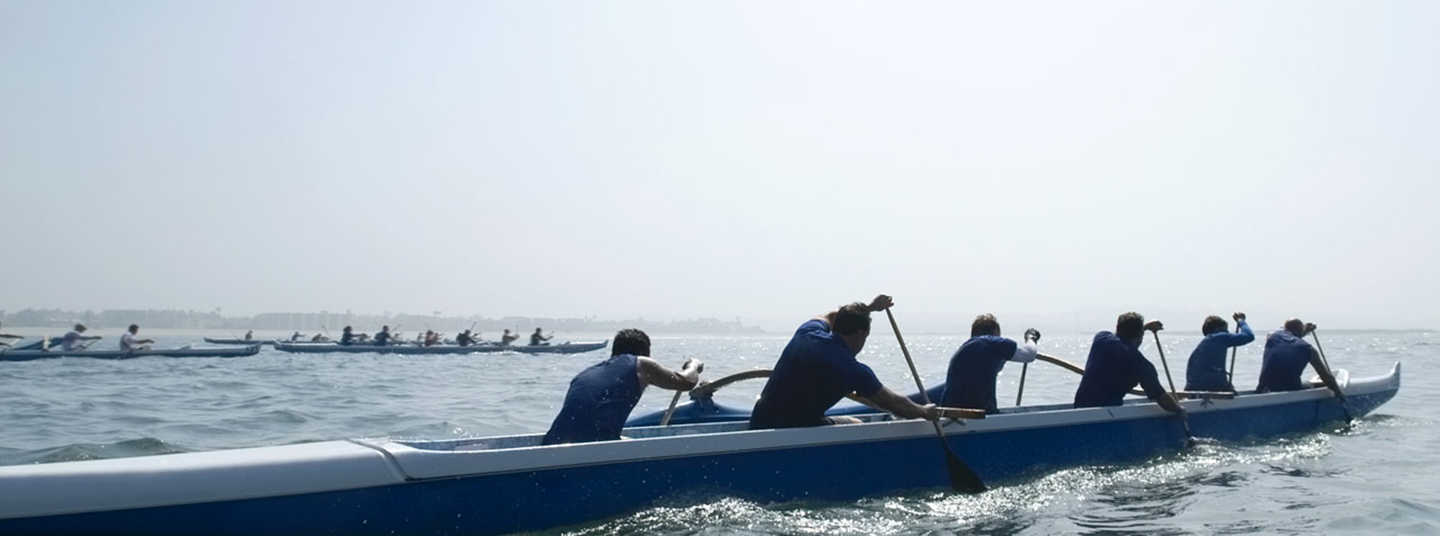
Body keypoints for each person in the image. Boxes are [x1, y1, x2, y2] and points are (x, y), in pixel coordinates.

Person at [750, 295, 944, 429]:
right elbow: (894, 404)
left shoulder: (806, 333)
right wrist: (924, 411)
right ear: (861, 333)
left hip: (759, 422)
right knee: (857, 425)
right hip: (795, 431)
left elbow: (831, 315)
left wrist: (868, 308)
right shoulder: (852, 370)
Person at [542, 329, 703, 445]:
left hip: (551, 446)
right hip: (589, 452)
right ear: (643, 352)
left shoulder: (582, 375)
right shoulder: (642, 364)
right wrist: (693, 365)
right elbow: (686, 382)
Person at [1073, 313, 1186, 418]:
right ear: (1140, 334)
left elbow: (1123, 342)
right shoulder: (1140, 364)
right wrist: (1179, 409)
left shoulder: (1101, 338)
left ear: (1118, 327)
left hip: (1079, 408)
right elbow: (1161, 398)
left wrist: (1145, 328)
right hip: (1105, 415)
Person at [940, 314, 1041, 414]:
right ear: (996, 332)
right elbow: (1029, 355)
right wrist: (1031, 337)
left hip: (950, 414)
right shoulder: (993, 342)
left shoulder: (965, 348)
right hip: (976, 416)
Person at [1256, 319, 1345, 399]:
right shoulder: (1309, 349)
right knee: (1320, 384)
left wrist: (1304, 330)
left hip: (1265, 387)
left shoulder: (1271, 336)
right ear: (1300, 330)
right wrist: (1338, 392)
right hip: (1291, 389)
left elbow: (1291, 336)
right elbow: (1325, 376)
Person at [1183, 312, 1255, 392]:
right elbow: (1249, 336)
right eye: (1225, 330)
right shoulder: (1219, 337)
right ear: (1217, 329)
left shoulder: (1205, 344)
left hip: (1191, 389)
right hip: (1209, 388)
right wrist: (1241, 321)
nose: (1227, 333)